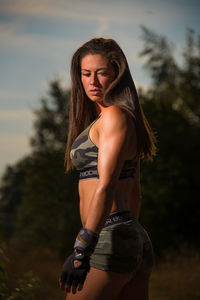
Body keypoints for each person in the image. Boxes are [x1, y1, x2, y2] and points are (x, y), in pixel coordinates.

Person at [60, 37, 156, 300]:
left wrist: (82, 249)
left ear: (116, 75)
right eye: (86, 73)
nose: (93, 81)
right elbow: (135, 190)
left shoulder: (114, 116)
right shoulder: (119, 118)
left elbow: (107, 184)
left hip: (108, 238)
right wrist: (130, 237)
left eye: (101, 73)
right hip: (127, 235)